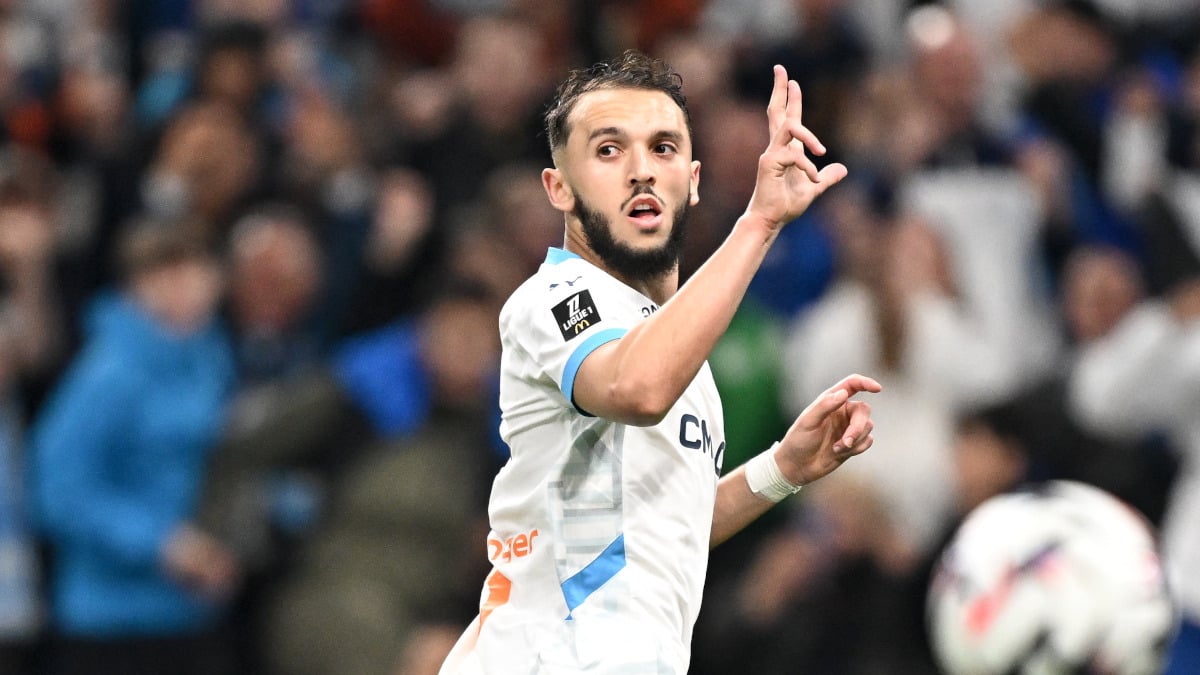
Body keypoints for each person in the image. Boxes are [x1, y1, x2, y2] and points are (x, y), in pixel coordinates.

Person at [440, 50, 880, 674]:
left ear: (692, 181)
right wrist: (759, 223)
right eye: (609, 150)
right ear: (559, 188)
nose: (641, 170)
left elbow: (663, 532)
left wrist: (783, 468)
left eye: (663, 148)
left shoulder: (680, 353)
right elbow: (638, 387)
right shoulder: (553, 299)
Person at [28, 222, 240, 675]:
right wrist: (160, 544)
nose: (185, 289)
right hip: (112, 619)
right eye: (167, 275)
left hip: (194, 610)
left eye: (196, 271)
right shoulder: (108, 374)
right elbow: (59, 489)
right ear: (135, 287)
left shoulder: (211, 362)